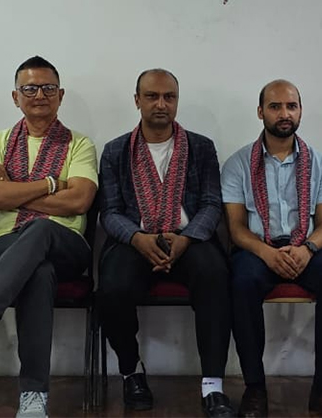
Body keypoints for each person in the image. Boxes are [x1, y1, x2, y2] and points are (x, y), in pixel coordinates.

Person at [0, 56, 97, 418]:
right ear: (15, 97)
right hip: (4, 246)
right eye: (30, 88)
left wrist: (14, 188)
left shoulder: (79, 144)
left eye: (48, 88)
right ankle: (33, 396)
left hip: (67, 245)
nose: (40, 95)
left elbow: (79, 200)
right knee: (38, 271)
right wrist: (52, 184)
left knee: (40, 228)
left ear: (61, 95)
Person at [97, 69, 235, 417]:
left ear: (176, 101)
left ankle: (213, 385)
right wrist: (137, 238)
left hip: (190, 239)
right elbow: (109, 212)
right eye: (152, 96)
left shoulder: (201, 147)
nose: (161, 104)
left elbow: (211, 204)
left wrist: (186, 238)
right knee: (112, 287)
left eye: (169, 97)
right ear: (137, 101)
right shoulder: (115, 151)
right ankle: (131, 372)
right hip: (135, 240)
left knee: (215, 276)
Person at [221, 80, 322, 418]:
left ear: (300, 111)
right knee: (241, 282)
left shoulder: (319, 163)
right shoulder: (238, 164)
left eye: (291, 106)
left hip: (306, 248)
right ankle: (255, 388)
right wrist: (266, 253)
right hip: (257, 249)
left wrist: (306, 250)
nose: (284, 113)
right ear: (260, 112)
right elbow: (236, 229)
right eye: (275, 106)